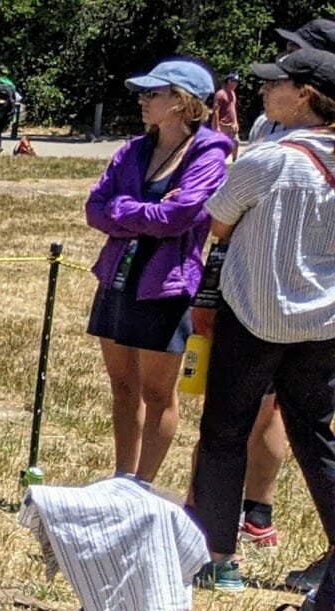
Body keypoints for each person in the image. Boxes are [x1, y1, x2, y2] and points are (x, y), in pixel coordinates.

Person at [188, 48, 335, 611]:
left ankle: (219, 558)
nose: (264, 92)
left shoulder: (272, 158)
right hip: (324, 323)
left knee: (224, 431)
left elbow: (215, 221)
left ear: (303, 94)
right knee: (316, 438)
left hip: (256, 315)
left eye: (275, 84)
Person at [83, 56, 230, 485]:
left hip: (166, 287)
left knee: (156, 392)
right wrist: (144, 211)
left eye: (153, 93)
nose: (143, 100)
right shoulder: (132, 149)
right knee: (122, 387)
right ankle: (120, 477)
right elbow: (96, 209)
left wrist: (125, 210)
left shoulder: (209, 152)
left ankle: (143, 485)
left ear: (182, 103)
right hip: (118, 276)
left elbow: (181, 217)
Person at [212, 72, 240, 158]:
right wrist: (217, 127)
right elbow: (216, 111)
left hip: (231, 125)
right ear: (229, 81)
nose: (236, 84)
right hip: (222, 124)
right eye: (234, 81)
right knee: (222, 146)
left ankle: (235, 162)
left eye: (237, 82)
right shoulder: (220, 94)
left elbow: (233, 109)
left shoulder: (233, 94)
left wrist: (235, 122)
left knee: (236, 142)